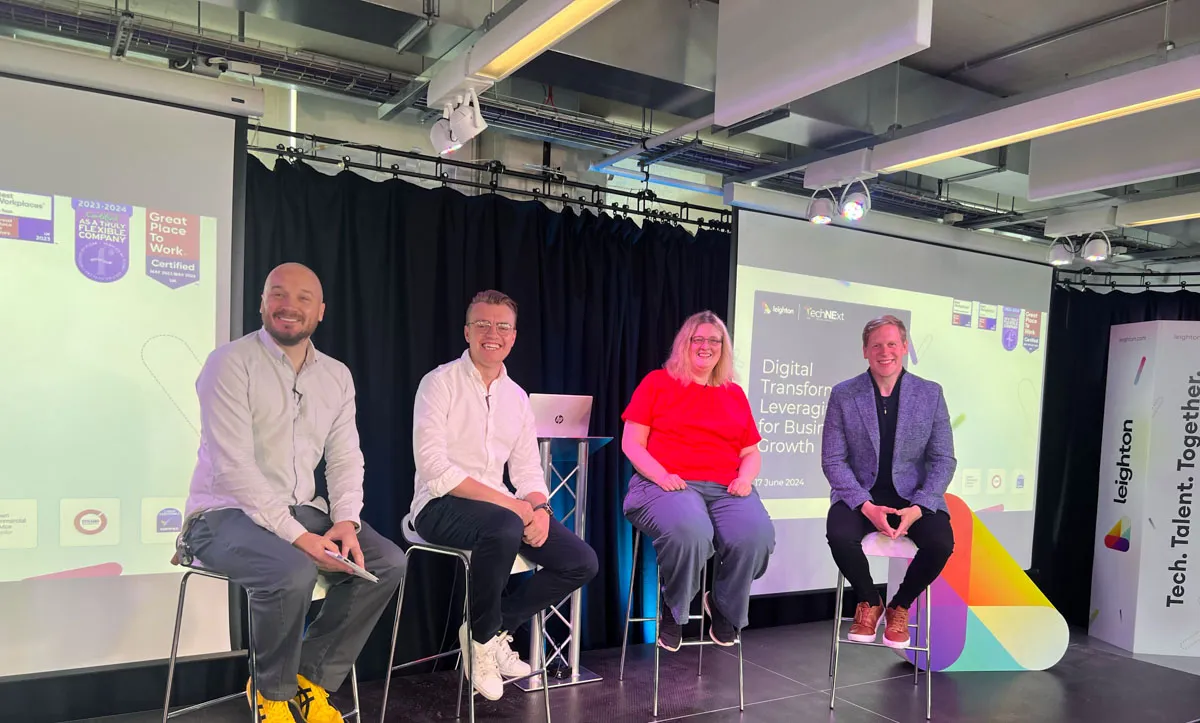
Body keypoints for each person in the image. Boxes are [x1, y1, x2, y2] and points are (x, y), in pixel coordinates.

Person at [179, 263, 407, 723]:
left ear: (320, 311)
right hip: (222, 514)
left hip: (303, 511)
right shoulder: (229, 363)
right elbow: (234, 467)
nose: (289, 305)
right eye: (278, 294)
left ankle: (309, 678)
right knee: (291, 570)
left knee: (386, 563)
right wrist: (300, 538)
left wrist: (345, 521)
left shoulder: (337, 376)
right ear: (262, 303)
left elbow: (345, 457)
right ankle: (270, 691)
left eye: (303, 298)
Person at [411, 289, 598, 701]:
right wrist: (515, 507)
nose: (491, 333)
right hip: (438, 506)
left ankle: (491, 629)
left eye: (502, 326)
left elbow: (528, 469)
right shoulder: (439, 383)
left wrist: (542, 509)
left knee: (580, 562)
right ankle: (480, 646)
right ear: (466, 331)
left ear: (513, 337)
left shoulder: (516, 397)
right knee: (504, 524)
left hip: (500, 511)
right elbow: (435, 469)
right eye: (482, 324)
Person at [621, 310, 776, 651]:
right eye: (698, 339)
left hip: (725, 487)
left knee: (757, 537)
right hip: (664, 483)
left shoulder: (733, 393)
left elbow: (751, 452)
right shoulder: (657, 383)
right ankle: (674, 609)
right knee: (692, 532)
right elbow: (631, 443)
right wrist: (661, 475)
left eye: (714, 340)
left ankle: (721, 603)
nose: (706, 346)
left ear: (723, 348)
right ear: (685, 344)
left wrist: (746, 478)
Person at [821, 315, 956, 648]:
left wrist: (920, 507)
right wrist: (866, 507)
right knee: (839, 535)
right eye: (877, 345)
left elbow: (943, 459)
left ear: (905, 347)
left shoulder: (930, 394)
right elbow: (833, 461)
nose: (885, 351)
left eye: (892, 344)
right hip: (861, 494)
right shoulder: (844, 394)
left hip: (914, 496)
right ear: (865, 351)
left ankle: (900, 605)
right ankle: (870, 601)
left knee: (941, 544)